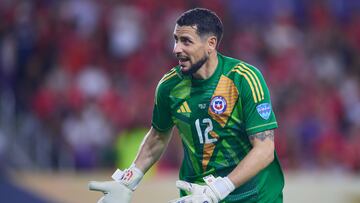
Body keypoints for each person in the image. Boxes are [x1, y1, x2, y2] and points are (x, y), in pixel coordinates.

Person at [89, 8, 284, 203]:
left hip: (253, 196)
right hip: (198, 196)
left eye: (186, 41)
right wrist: (127, 180)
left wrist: (218, 190)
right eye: (176, 39)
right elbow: (158, 136)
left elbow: (264, 150)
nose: (176, 49)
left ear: (211, 44)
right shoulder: (169, 86)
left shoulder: (244, 79)